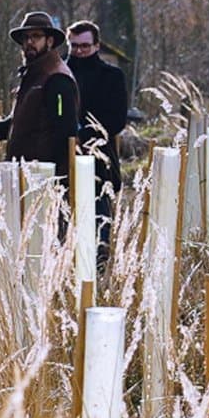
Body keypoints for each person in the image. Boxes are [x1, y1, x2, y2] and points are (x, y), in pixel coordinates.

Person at [0, 11, 89, 198]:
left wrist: (58, 185)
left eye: (36, 36)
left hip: (43, 183)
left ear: (49, 41)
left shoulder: (56, 78)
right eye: (26, 37)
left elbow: (66, 135)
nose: (29, 42)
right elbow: (11, 127)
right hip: (24, 179)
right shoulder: (33, 76)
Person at [66, 19, 132, 256]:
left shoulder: (111, 76)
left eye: (84, 46)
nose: (79, 51)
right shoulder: (62, 74)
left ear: (96, 46)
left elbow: (116, 120)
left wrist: (84, 134)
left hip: (99, 159)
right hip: (63, 156)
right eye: (74, 46)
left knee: (100, 225)